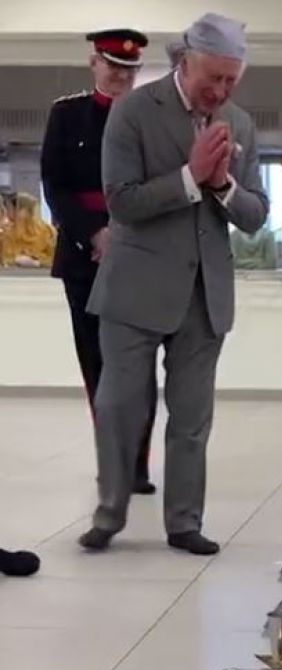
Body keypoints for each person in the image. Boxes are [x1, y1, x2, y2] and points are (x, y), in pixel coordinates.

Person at [78, 13, 269, 555]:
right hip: (134, 290)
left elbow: (255, 214)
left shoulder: (241, 124)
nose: (221, 91)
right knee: (119, 407)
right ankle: (110, 513)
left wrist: (223, 182)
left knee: (191, 418)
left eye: (232, 80)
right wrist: (188, 179)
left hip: (203, 298)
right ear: (186, 63)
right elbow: (122, 201)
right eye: (213, 78)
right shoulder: (132, 112)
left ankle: (184, 522)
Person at [41, 28, 157, 495]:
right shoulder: (66, 115)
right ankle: (113, 462)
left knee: (139, 366)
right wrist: (96, 230)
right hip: (82, 258)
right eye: (112, 66)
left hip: (140, 260)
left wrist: (123, 235)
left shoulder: (149, 119)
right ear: (95, 64)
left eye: (129, 69)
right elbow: (56, 186)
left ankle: (138, 464)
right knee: (98, 365)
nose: (120, 75)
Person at [2, 192, 56, 267]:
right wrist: (15, 260)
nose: (7, 214)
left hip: (41, 277)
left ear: (23, 210)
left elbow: (55, 260)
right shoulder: (5, 234)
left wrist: (37, 263)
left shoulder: (47, 232)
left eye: (9, 209)